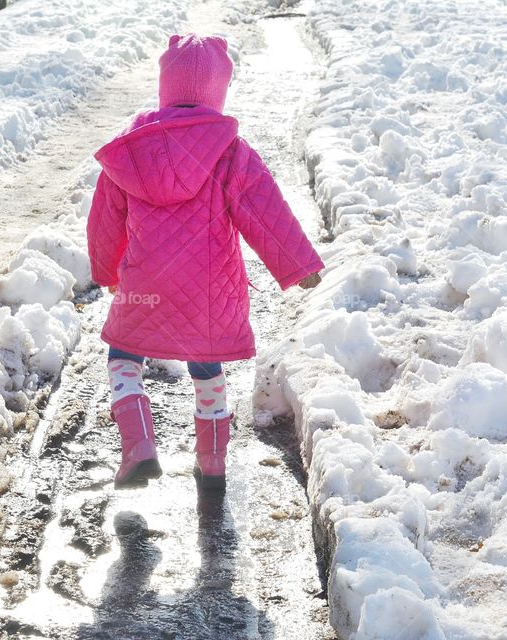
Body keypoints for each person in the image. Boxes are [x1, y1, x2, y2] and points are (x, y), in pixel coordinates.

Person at [87, 33, 323, 491]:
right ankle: (211, 461)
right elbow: (264, 213)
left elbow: (104, 221)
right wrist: (299, 265)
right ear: (218, 91)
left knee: (123, 356)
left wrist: (106, 272)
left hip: (144, 282)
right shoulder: (231, 150)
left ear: (165, 88)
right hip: (209, 291)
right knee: (206, 365)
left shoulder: (131, 150)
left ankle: (138, 445)